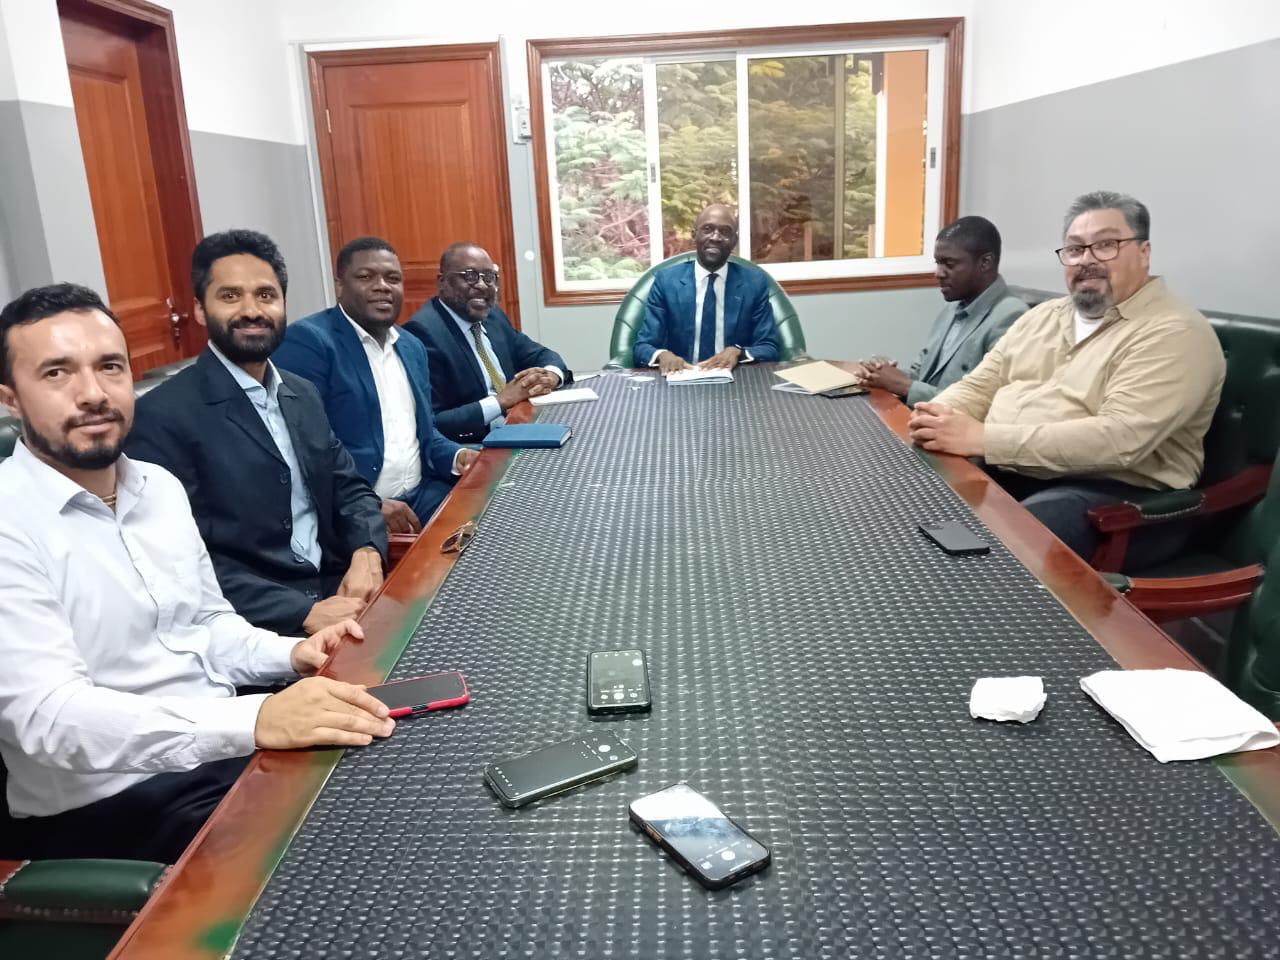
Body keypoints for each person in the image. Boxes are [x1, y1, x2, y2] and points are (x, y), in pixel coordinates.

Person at [0, 283, 394, 864]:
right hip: (110, 800)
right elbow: (50, 719)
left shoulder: (156, 487)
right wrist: (254, 718)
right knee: (353, 850)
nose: (93, 393)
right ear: (11, 400)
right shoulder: (11, 520)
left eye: (109, 367)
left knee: (391, 776)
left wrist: (291, 654)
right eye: (56, 373)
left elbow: (205, 626)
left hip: (219, 754)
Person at [908, 191, 1225, 560]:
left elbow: (1120, 440)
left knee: (1004, 544)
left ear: (1144, 252)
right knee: (913, 490)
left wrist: (984, 439)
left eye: (1105, 245)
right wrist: (933, 418)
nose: (1086, 260)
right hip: (1014, 467)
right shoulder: (1042, 317)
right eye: (1075, 249)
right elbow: (980, 386)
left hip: (1119, 501)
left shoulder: (1174, 332)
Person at [127, 230, 389, 635]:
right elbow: (177, 558)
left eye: (266, 295)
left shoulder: (302, 393)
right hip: (253, 626)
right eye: (230, 296)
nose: (252, 310)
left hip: (343, 593)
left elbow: (349, 488)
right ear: (200, 309)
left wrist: (367, 550)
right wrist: (301, 613)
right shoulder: (160, 416)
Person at [273, 237, 476, 532]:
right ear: (340, 286)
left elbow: (424, 434)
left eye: (392, 278)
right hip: (358, 508)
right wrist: (368, 504)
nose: (382, 286)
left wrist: (459, 457)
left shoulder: (412, 347)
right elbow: (303, 450)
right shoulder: (309, 342)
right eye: (366, 277)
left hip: (422, 494)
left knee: (499, 517)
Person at [403, 242, 572, 443]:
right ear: (442, 282)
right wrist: (500, 401)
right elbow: (433, 422)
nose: (482, 285)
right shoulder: (423, 332)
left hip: (520, 425)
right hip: (473, 445)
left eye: (489, 277)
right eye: (470, 276)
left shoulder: (492, 316)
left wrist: (550, 376)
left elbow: (541, 355)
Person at [856, 216, 1026, 404]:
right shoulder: (952, 308)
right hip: (921, 414)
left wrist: (904, 386)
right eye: (937, 263)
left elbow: (983, 404)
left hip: (949, 421)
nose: (938, 273)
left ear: (985, 263)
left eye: (949, 265)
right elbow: (920, 373)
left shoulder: (1012, 316)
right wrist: (881, 375)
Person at [633, 203, 780, 374]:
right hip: (681, 376)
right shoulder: (666, 282)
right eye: (708, 229)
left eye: (725, 231)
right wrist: (662, 355)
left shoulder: (753, 283)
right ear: (694, 235)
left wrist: (738, 352)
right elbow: (642, 347)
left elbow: (769, 347)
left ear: (734, 241)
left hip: (734, 378)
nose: (715, 237)